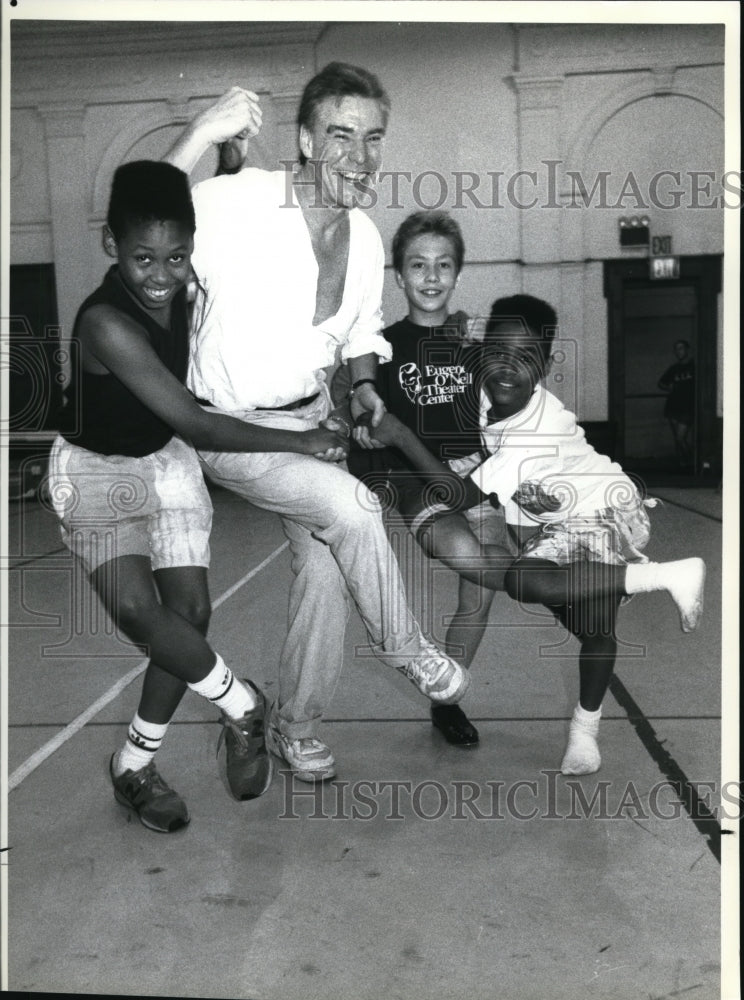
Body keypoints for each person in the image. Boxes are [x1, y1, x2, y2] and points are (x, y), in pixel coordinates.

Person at [162, 63, 470, 783]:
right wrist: (202, 130)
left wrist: (364, 390)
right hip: (232, 430)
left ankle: (294, 730)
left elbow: (361, 331)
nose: (359, 158)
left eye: (373, 139)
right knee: (356, 507)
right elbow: (142, 217)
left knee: (329, 573)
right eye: (340, 135)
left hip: (314, 425)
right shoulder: (232, 203)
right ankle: (410, 652)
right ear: (303, 139)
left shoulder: (363, 237)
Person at [47, 160, 351, 832]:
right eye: (143, 258)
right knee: (137, 610)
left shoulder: (179, 276)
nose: (161, 276)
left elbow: (191, 200)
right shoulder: (106, 323)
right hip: (96, 468)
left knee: (189, 613)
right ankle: (243, 705)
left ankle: (134, 765)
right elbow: (195, 419)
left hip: (166, 460)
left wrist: (230, 162)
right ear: (111, 247)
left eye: (176, 257)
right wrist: (302, 442)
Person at [358, 294, 706, 775]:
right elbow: (450, 373)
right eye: (497, 352)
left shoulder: (530, 432)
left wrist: (400, 438)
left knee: (551, 599)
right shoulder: (486, 390)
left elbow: (458, 496)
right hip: (562, 519)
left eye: (525, 359)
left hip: (607, 507)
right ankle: (583, 732)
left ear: (543, 367)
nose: (507, 368)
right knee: (577, 612)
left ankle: (667, 578)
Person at [334, 210, 514, 747]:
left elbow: (506, 416)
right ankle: (416, 650)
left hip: (480, 480)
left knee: (478, 595)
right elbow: (358, 416)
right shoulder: (380, 349)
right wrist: (362, 430)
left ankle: (447, 700)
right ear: (398, 276)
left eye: (443, 265)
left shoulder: (474, 346)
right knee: (467, 554)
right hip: (421, 482)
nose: (431, 277)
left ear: (458, 274)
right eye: (418, 265)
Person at [657, 339, 695, 467]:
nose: (678, 351)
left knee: (680, 437)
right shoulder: (674, 369)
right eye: (676, 349)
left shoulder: (694, 366)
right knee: (677, 438)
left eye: (681, 348)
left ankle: (691, 461)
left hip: (688, 407)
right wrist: (669, 387)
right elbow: (661, 383)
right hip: (673, 406)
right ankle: (683, 462)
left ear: (687, 350)